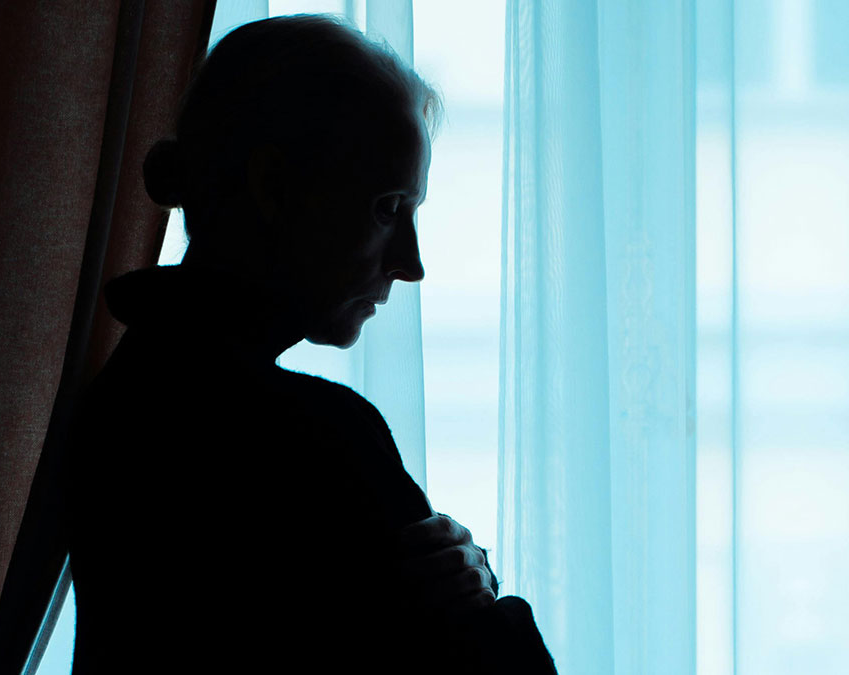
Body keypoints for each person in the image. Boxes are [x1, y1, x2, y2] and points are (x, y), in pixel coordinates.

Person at [65, 14, 556, 673]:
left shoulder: (118, 399)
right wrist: (479, 582)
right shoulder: (318, 434)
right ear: (275, 188)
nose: (410, 263)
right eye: (387, 208)